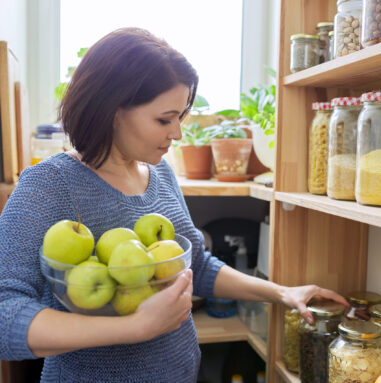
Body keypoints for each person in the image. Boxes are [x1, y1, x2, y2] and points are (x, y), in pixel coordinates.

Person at [0, 28, 348, 382]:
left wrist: (282, 292)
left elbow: (195, 266)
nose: (178, 133)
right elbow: (4, 314)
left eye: (180, 116)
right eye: (164, 119)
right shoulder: (48, 184)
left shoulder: (161, 173)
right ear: (113, 109)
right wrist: (134, 328)